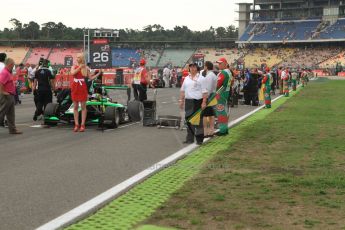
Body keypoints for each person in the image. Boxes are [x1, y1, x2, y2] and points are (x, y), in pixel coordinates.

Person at [179, 63, 208, 145]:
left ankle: (199, 140)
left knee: (198, 122)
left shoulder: (201, 78)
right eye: (190, 67)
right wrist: (181, 100)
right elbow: (182, 90)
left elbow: (204, 91)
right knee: (188, 121)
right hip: (188, 101)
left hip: (197, 101)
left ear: (197, 68)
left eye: (193, 67)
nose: (192, 68)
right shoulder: (186, 78)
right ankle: (189, 138)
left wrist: (204, 102)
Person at [70, 53, 99, 132]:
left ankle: (82, 124)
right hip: (75, 86)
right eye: (76, 57)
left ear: (82, 58)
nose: (77, 59)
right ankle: (76, 124)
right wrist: (79, 67)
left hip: (82, 86)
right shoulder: (73, 66)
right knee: (75, 106)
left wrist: (98, 73)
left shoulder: (86, 68)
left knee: (83, 107)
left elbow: (90, 77)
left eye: (78, 57)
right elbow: (72, 73)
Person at [0, 58, 22, 134]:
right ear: (9, 64)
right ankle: (12, 129)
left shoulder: (8, 72)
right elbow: (1, 83)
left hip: (10, 95)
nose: (13, 66)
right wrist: (3, 92)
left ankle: (12, 129)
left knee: (11, 114)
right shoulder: (5, 72)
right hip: (6, 96)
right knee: (1, 113)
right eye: (12, 64)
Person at [215, 57, 232, 136]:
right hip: (226, 92)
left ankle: (223, 130)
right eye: (218, 63)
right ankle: (224, 129)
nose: (219, 65)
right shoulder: (229, 72)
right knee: (222, 111)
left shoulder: (223, 73)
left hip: (221, 93)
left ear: (225, 64)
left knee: (220, 111)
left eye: (220, 63)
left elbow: (218, 84)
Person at [202, 61, 217, 138]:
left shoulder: (209, 76)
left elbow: (208, 88)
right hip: (212, 95)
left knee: (205, 115)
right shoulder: (213, 75)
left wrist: (205, 98)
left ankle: (206, 132)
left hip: (209, 96)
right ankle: (211, 131)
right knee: (211, 114)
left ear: (206, 67)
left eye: (204, 66)